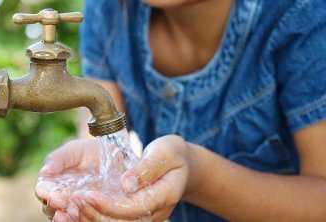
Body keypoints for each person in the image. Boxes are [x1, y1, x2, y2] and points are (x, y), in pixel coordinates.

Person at [35, 0, 326, 221]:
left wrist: (199, 176)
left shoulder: (303, 17)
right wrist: (91, 185)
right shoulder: (110, 10)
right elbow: (102, 132)